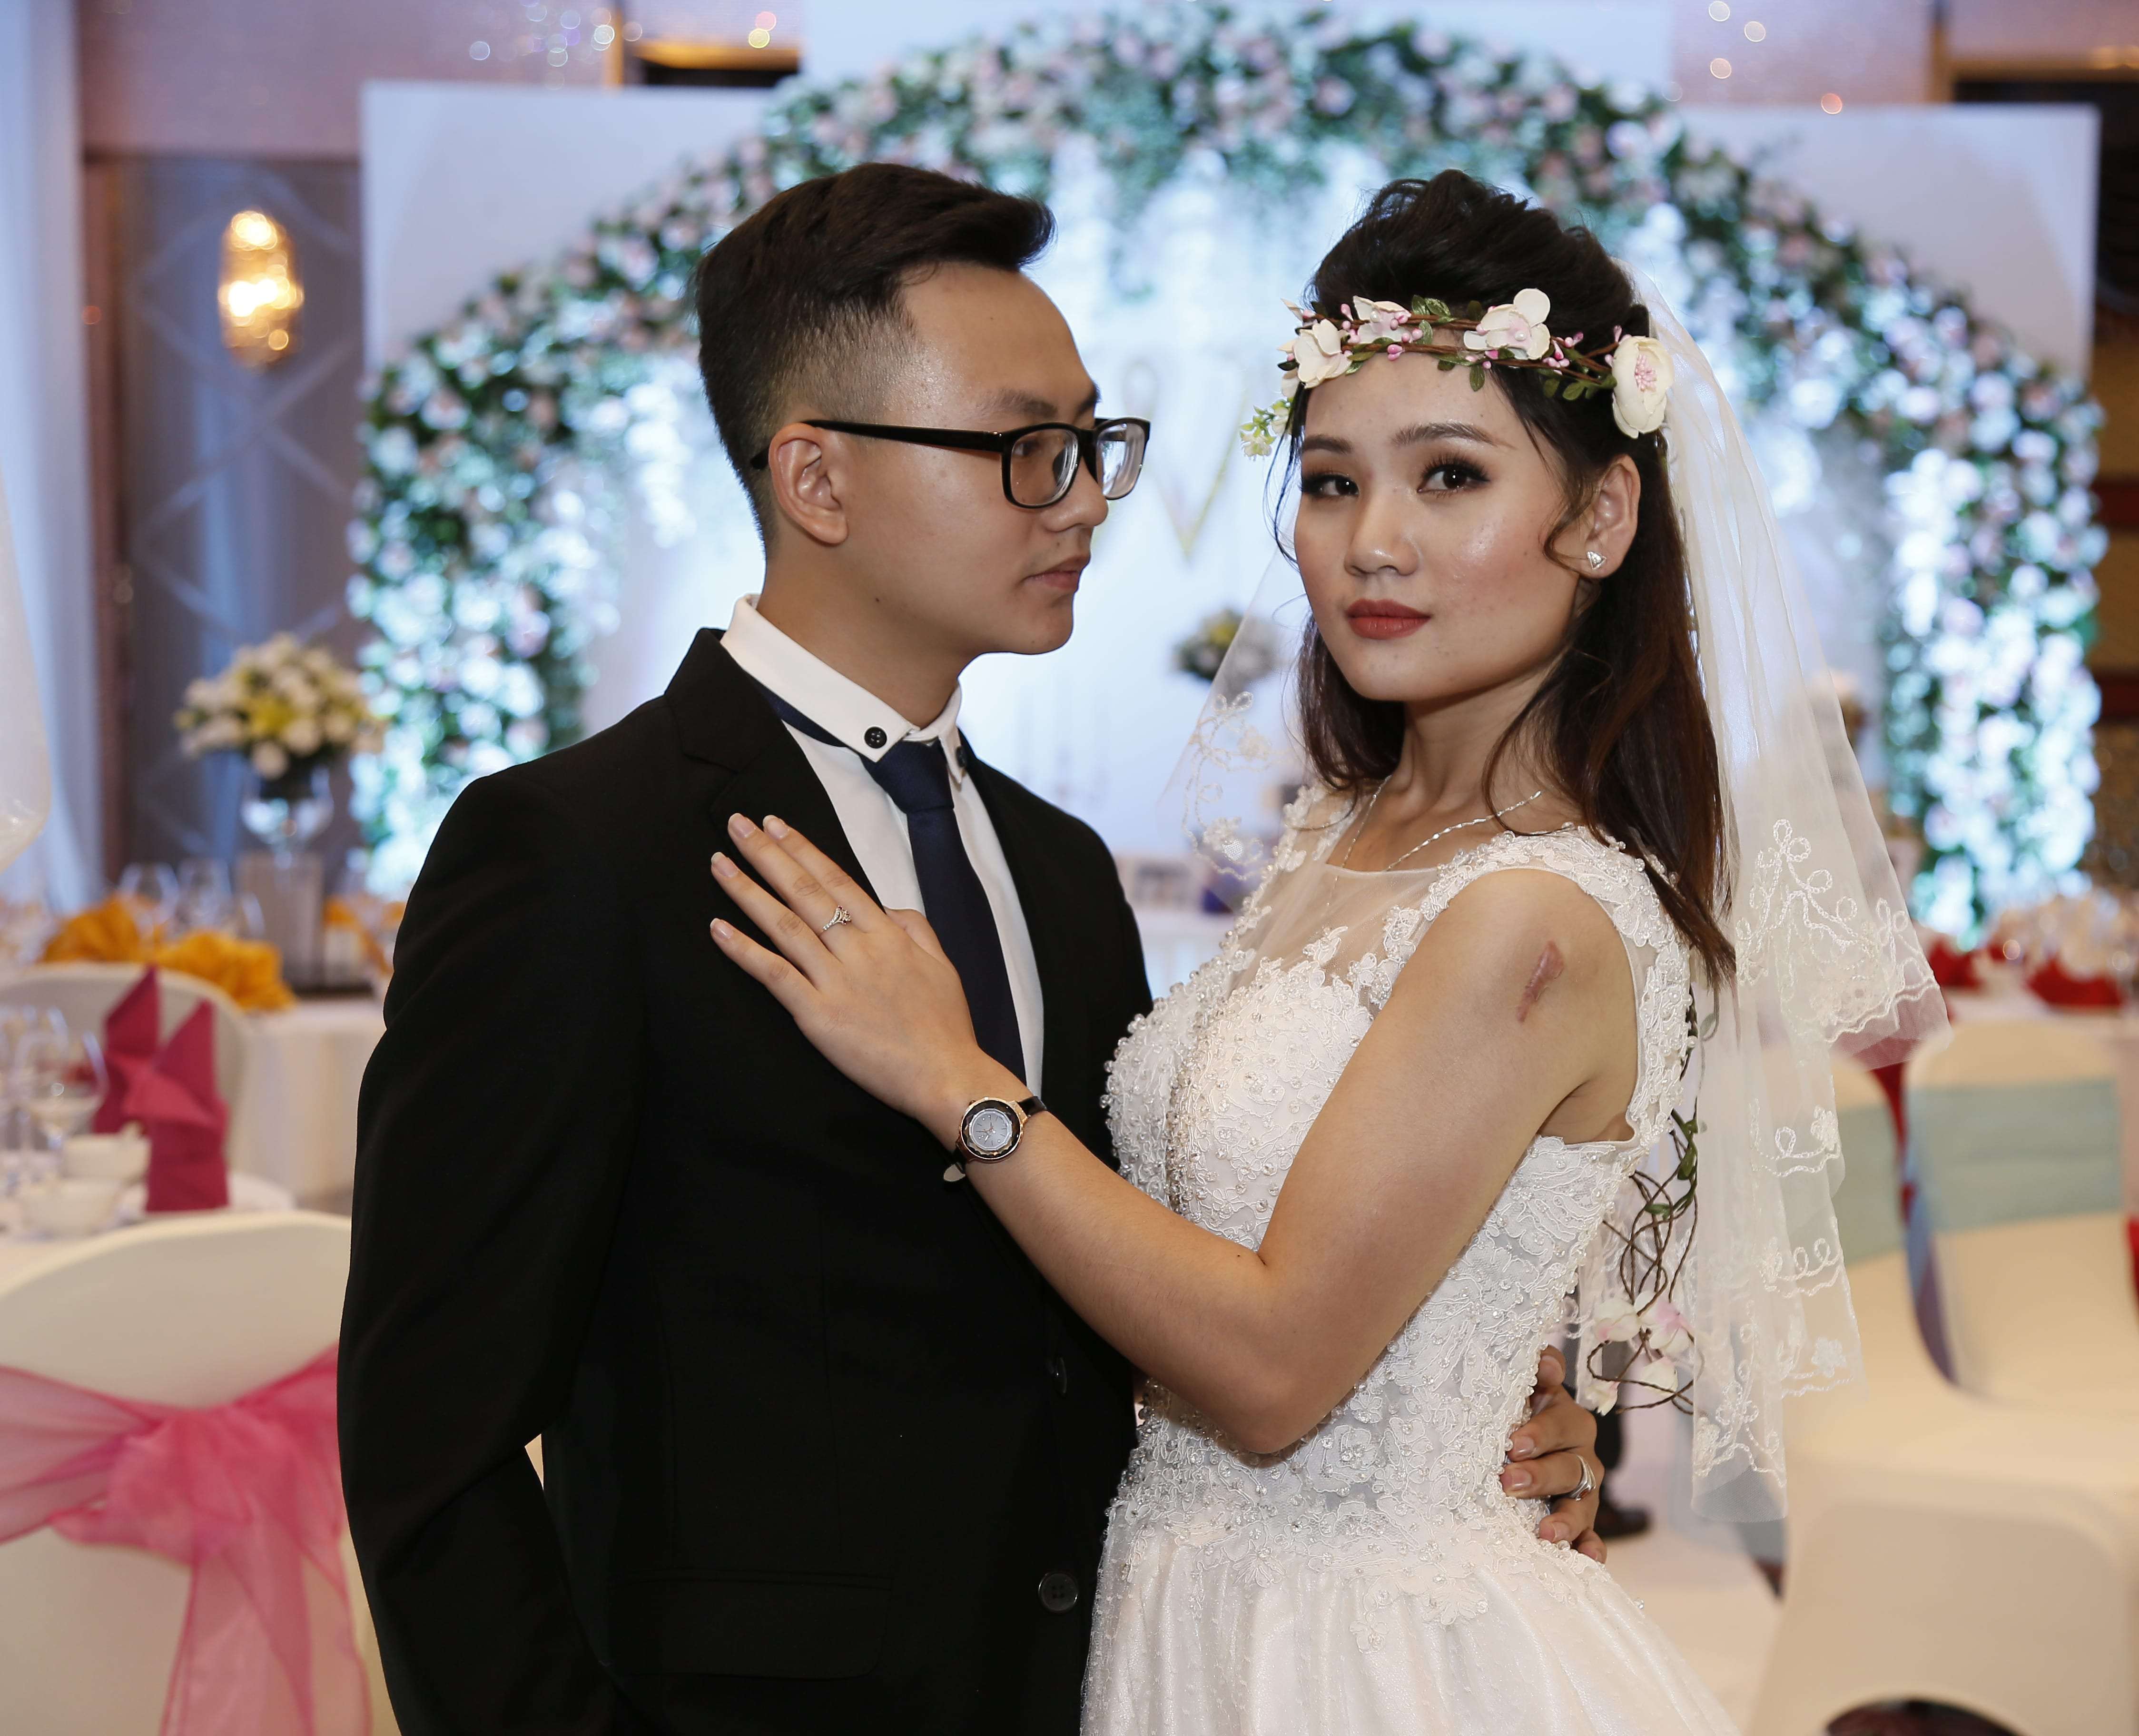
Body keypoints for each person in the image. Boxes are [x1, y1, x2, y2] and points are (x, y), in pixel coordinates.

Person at [338, 162, 1607, 1736]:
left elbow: (1126, 1296)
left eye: (1087, 444)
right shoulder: (579, 852)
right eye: (1023, 451)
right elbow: (431, 1448)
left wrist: (1466, 1420)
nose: (1082, 500)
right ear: (817, 479)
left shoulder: (1058, 868)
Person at [706, 172, 1941, 1732]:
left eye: (1450, 476)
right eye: (1336, 481)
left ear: (1602, 516)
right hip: (1182, 1604)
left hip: (1366, 1657)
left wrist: (959, 1082)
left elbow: (1277, 1367)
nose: (1374, 544)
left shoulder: (1535, 914)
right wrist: (1483, 1394)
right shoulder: (1339, 830)